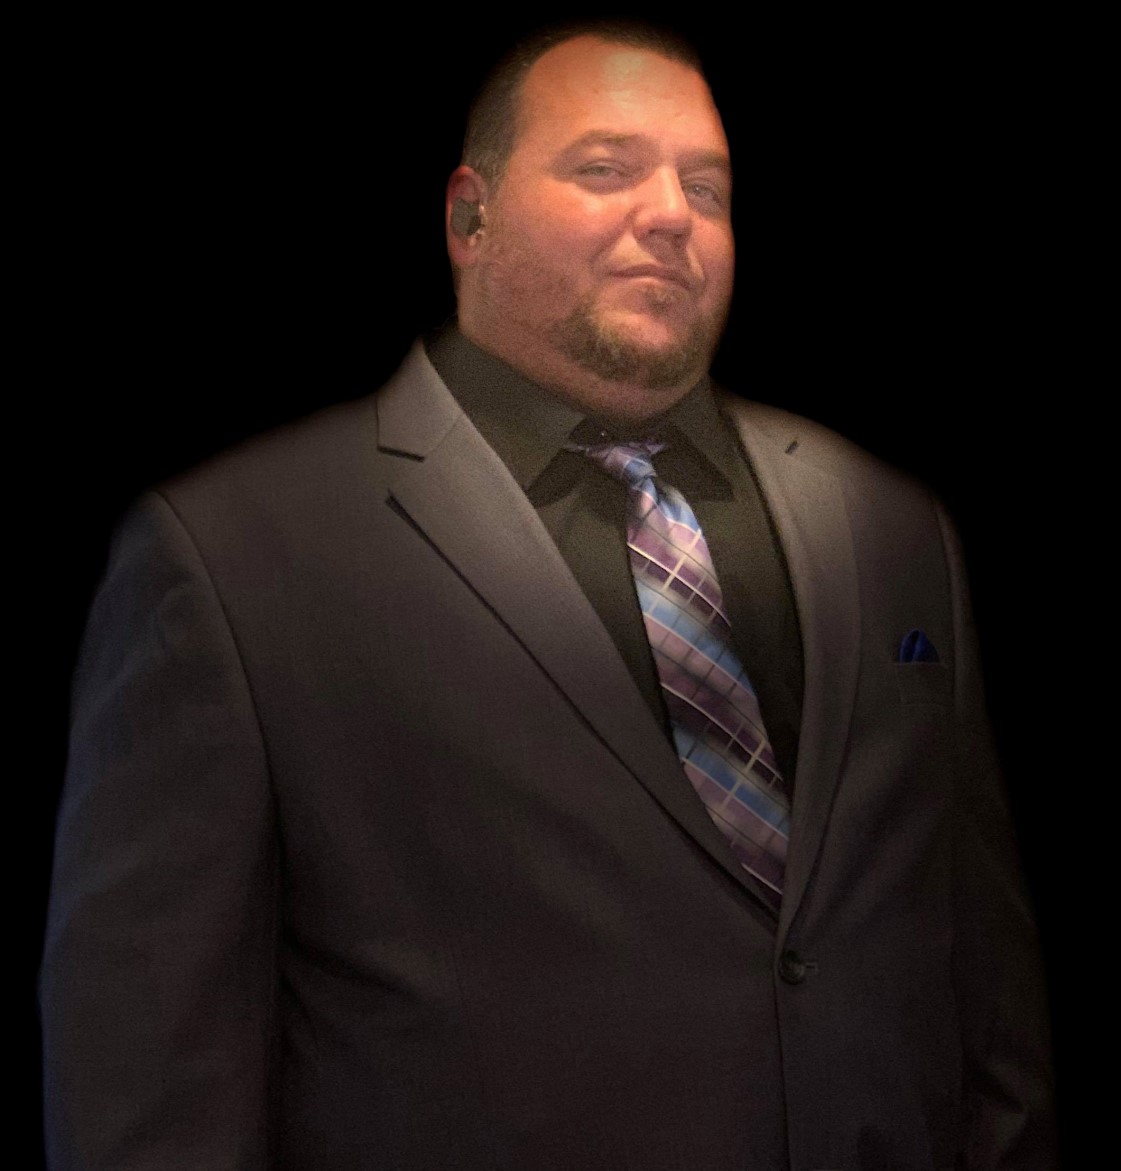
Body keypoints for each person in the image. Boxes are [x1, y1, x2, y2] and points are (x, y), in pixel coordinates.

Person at [42, 21, 1057, 1169]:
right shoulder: (233, 554)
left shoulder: (886, 525)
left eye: (706, 186)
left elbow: (983, 994)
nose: (670, 214)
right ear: (468, 218)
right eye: (605, 169)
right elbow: (150, 1084)